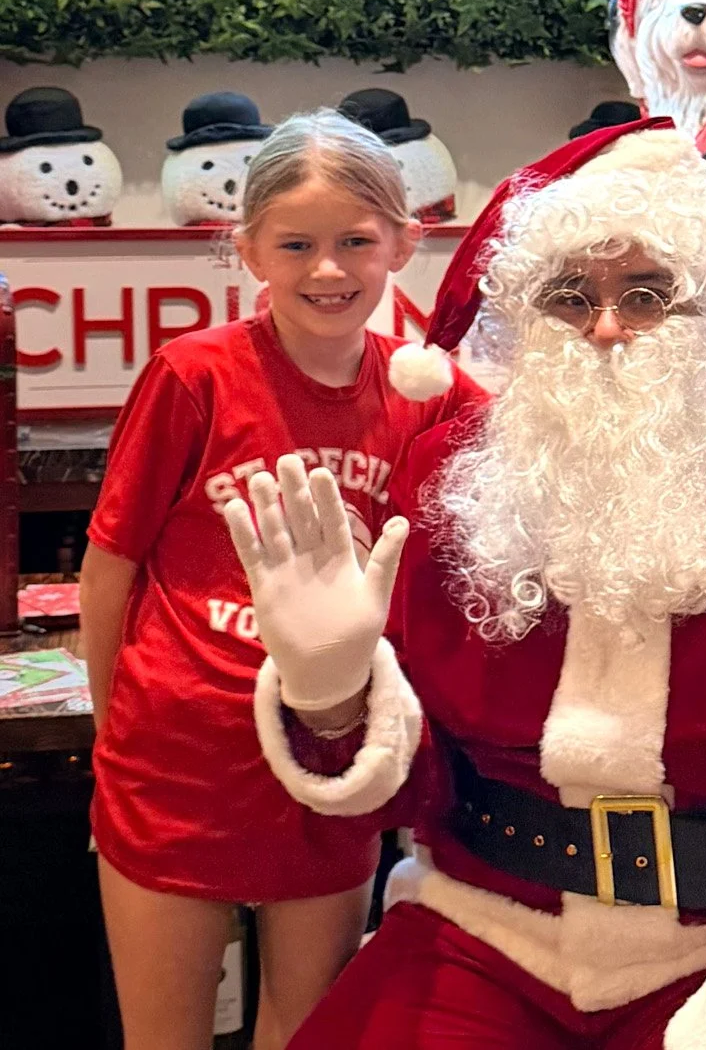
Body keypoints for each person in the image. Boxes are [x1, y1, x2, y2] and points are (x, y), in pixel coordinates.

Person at [225, 116, 706, 1050]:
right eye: (568, 295)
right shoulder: (452, 468)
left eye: (646, 294)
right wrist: (330, 699)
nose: (604, 326)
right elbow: (416, 789)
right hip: (486, 928)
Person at [80, 109, 484, 1050]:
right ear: (250, 250)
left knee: (307, 1033)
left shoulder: (431, 394)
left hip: (331, 771)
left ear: (404, 242)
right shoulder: (193, 376)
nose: (328, 270)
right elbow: (110, 569)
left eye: (356, 241)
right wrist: (114, 735)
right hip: (175, 766)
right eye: (297, 244)